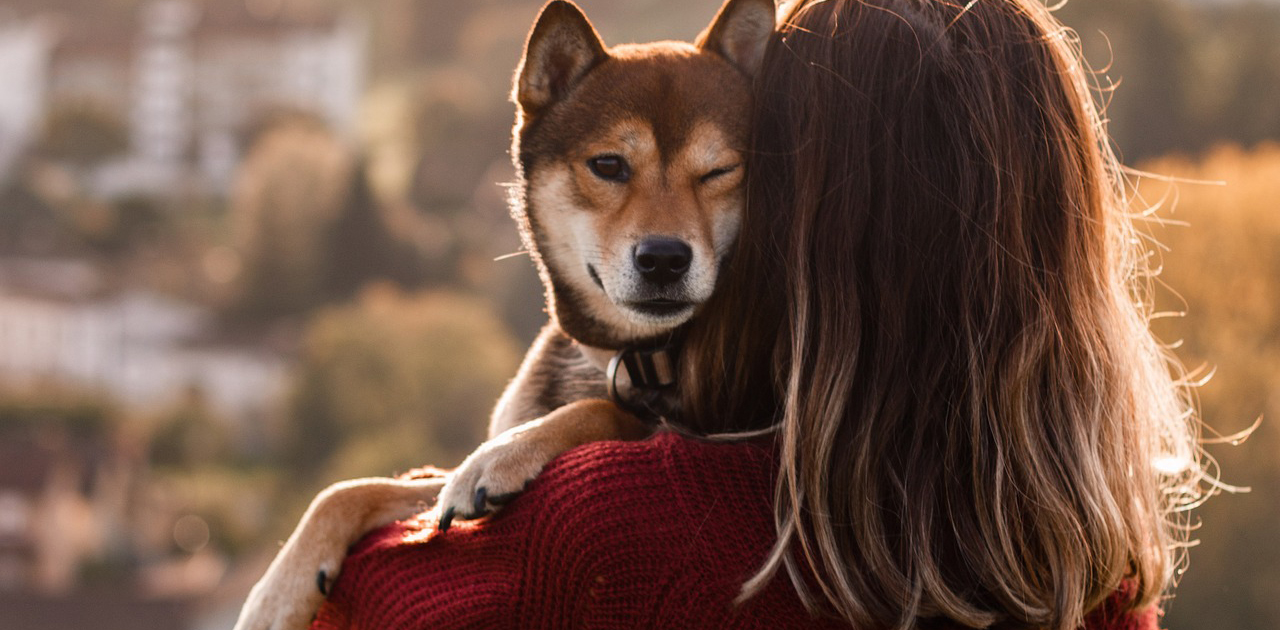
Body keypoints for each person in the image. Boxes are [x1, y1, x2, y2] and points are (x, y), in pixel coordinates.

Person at [308, 0, 1206, 628]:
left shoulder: (623, 531)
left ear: (805, 222)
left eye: (734, 171)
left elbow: (364, 605)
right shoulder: (1099, 571)